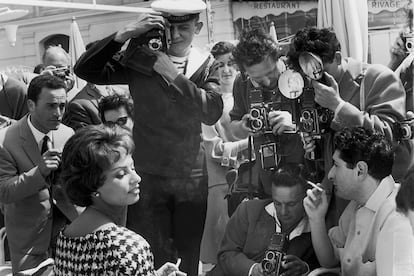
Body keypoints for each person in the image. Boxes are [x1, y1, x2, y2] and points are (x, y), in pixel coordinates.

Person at [73, 0, 223, 274]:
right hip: (148, 175)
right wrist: (125, 33)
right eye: (170, 28)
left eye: (184, 28)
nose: (175, 35)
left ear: (198, 27)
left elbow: (211, 112)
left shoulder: (207, 63)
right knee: (151, 255)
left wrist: (173, 75)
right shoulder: (141, 59)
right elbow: (85, 69)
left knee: (188, 258)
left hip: (191, 176)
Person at [288, 27, 406, 218]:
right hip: (339, 208)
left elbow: (388, 137)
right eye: (307, 76)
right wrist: (312, 147)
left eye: (320, 71)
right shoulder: (314, 93)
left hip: (382, 207)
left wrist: (339, 106)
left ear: (337, 58)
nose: (315, 82)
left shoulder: (378, 78)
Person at [54, 124, 185, 276]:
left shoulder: (65, 236)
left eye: (133, 168)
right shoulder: (129, 248)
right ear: (92, 184)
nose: (136, 178)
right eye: (121, 174)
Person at [303, 127, 414, 276]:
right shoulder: (356, 204)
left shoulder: (397, 216)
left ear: (360, 170)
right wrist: (316, 218)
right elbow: (329, 259)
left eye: (336, 166)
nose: (330, 175)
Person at [0, 74, 79, 273]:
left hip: (68, 235)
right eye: (51, 106)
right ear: (31, 105)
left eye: (62, 105)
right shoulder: (5, 141)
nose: (58, 113)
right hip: (29, 243)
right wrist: (40, 172)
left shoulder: (67, 134)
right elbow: (4, 192)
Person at [229, 28, 305, 197]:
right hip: (268, 178)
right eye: (257, 79)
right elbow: (233, 127)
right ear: (245, 72)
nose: (267, 81)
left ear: (279, 57)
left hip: (306, 171)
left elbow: (326, 127)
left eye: (271, 72)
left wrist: (295, 124)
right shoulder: (241, 83)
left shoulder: (300, 74)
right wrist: (243, 127)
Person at [210, 163, 319, 276]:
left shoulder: (316, 226)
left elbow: (325, 265)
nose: (283, 211)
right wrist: (253, 269)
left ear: (307, 197)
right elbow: (226, 254)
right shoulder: (248, 211)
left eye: (291, 204)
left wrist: (304, 269)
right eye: (277, 203)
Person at [200, 41, 245, 265]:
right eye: (220, 65)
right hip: (222, 187)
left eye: (231, 63)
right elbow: (215, 149)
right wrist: (249, 144)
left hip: (254, 184)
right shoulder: (208, 104)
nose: (226, 70)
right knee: (223, 255)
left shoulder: (248, 96)